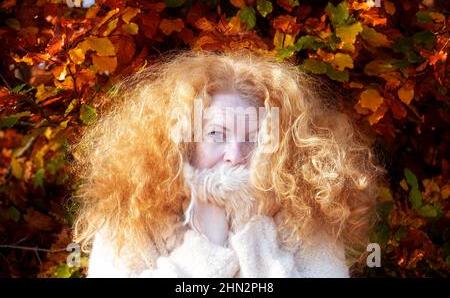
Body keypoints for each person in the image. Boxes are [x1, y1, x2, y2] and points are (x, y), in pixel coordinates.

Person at [70, 50, 385, 277]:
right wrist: (209, 243)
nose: (235, 154)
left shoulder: (306, 213)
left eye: (253, 137)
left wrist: (254, 230)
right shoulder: (134, 216)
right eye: (216, 134)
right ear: (183, 141)